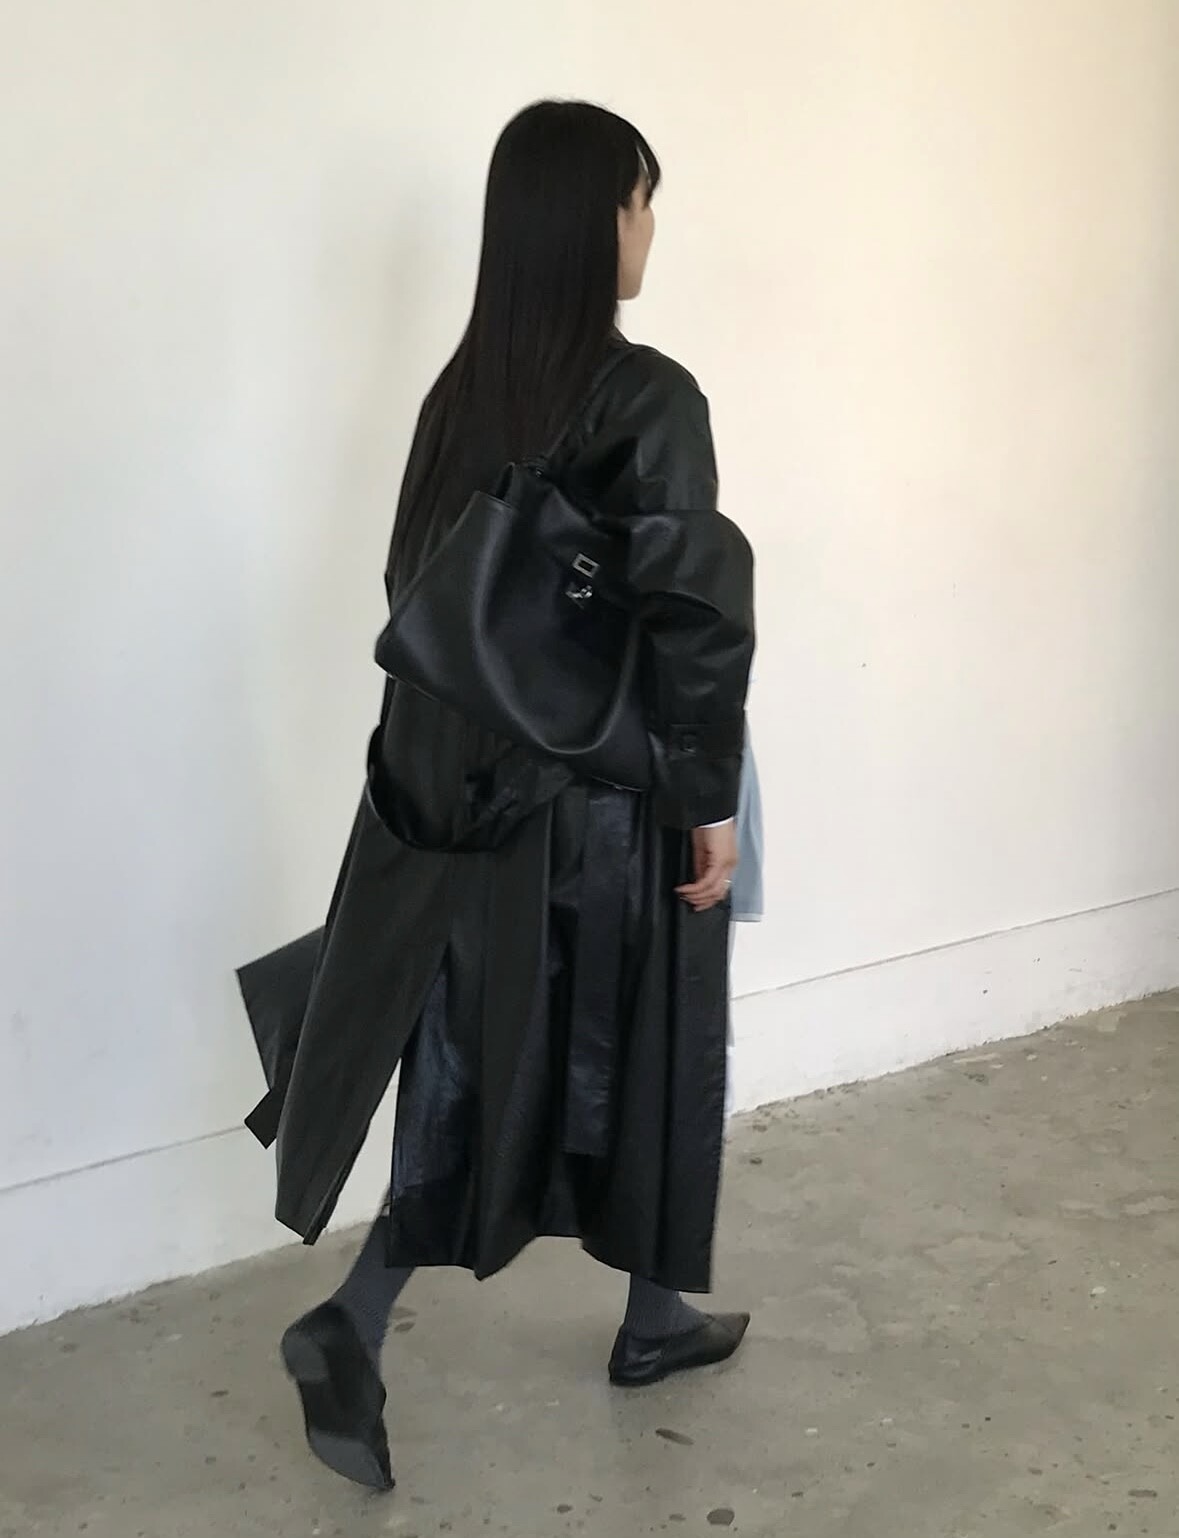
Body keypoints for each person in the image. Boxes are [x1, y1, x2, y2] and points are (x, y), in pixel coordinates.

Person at [237, 100, 757, 1493]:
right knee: (611, 1047)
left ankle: (653, 1313)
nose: (651, 228)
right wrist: (711, 797)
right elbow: (696, 616)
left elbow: (417, 596)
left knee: (493, 1058)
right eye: (642, 201)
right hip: (606, 800)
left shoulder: (458, 398)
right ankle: (352, 1318)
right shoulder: (650, 400)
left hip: (463, 793)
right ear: (595, 224)